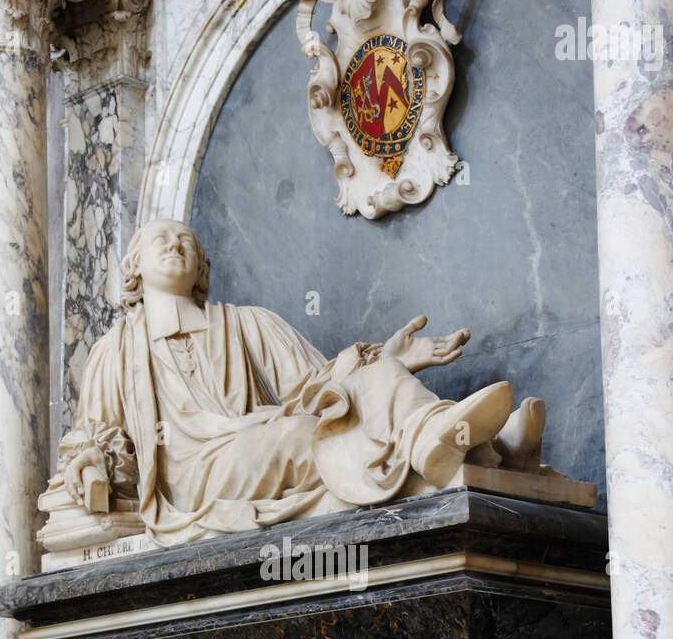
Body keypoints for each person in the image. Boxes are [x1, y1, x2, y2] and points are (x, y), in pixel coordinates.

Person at [48, 218, 546, 546]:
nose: (177, 244)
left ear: (201, 266)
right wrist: (91, 460)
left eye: (187, 242)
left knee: (369, 381)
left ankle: (481, 449)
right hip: (198, 475)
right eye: (163, 240)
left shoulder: (246, 323)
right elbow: (96, 437)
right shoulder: (116, 350)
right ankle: (469, 451)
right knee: (301, 434)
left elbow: (318, 383)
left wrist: (388, 360)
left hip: (261, 437)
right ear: (133, 265)